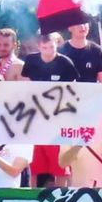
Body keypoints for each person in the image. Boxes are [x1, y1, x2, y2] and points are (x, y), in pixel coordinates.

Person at [21, 32, 81, 187]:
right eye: (45, 47)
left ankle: (62, 196)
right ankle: (32, 196)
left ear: (57, 45)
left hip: (58, 121)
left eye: (52, 47)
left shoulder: (65, 63)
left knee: (60, 166)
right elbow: (24, 86)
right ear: (39, 47)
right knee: (34, 164)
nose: (49, 51)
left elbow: (74, 90)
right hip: (35, 120)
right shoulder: (31, 61)